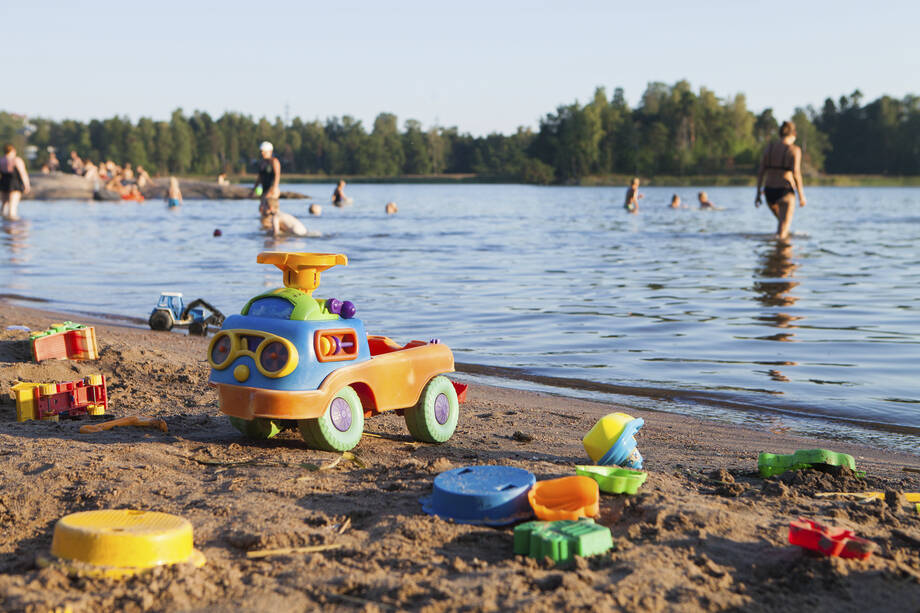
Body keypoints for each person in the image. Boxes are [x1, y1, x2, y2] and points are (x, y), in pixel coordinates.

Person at [756, 121, 807, 239]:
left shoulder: (769, 148)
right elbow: (796, 173)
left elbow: (761, 172)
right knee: (783, 229)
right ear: (794, 134)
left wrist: (758, 193)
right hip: (785, 192)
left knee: (782, 224)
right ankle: (783, 254)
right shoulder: (794, 150)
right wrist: (801, 195)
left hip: (769, 192)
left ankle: (774, 253)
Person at [0, 145, 31, 220]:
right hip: (14, 184)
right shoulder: (16, 160)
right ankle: (12, 226)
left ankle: (4, 224)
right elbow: (23, 173)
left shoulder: (1, 160)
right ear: (13, 151)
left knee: (3, 206)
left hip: (3, 184)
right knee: (12, 207)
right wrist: (27, 185)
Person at [252, 141, 281, 213]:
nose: (262, 153)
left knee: (269, 208)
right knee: (262, 209)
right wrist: (254, 188)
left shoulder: (274, 161)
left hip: (272, 189)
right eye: (261, 152)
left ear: (270, 151)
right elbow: (259, 177)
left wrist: (274, 187)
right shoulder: (262, 163)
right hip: (264, 189)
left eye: (264, 152)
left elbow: (277, 175)